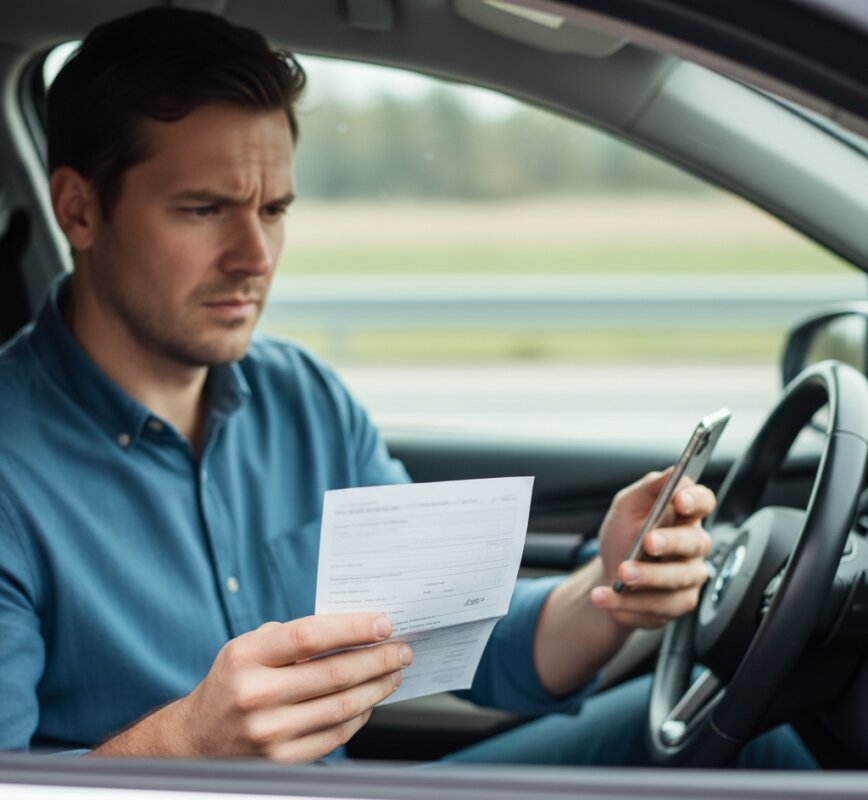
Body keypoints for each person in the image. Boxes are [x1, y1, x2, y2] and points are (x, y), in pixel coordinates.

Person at [0, 7, 813, 767]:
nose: (255, 255)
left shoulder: (303, 398)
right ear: (78, 210)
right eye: (205, 209)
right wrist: (187, 745)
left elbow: (461, 643)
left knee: (746, 740)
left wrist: (610, 586)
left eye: (275, 209)